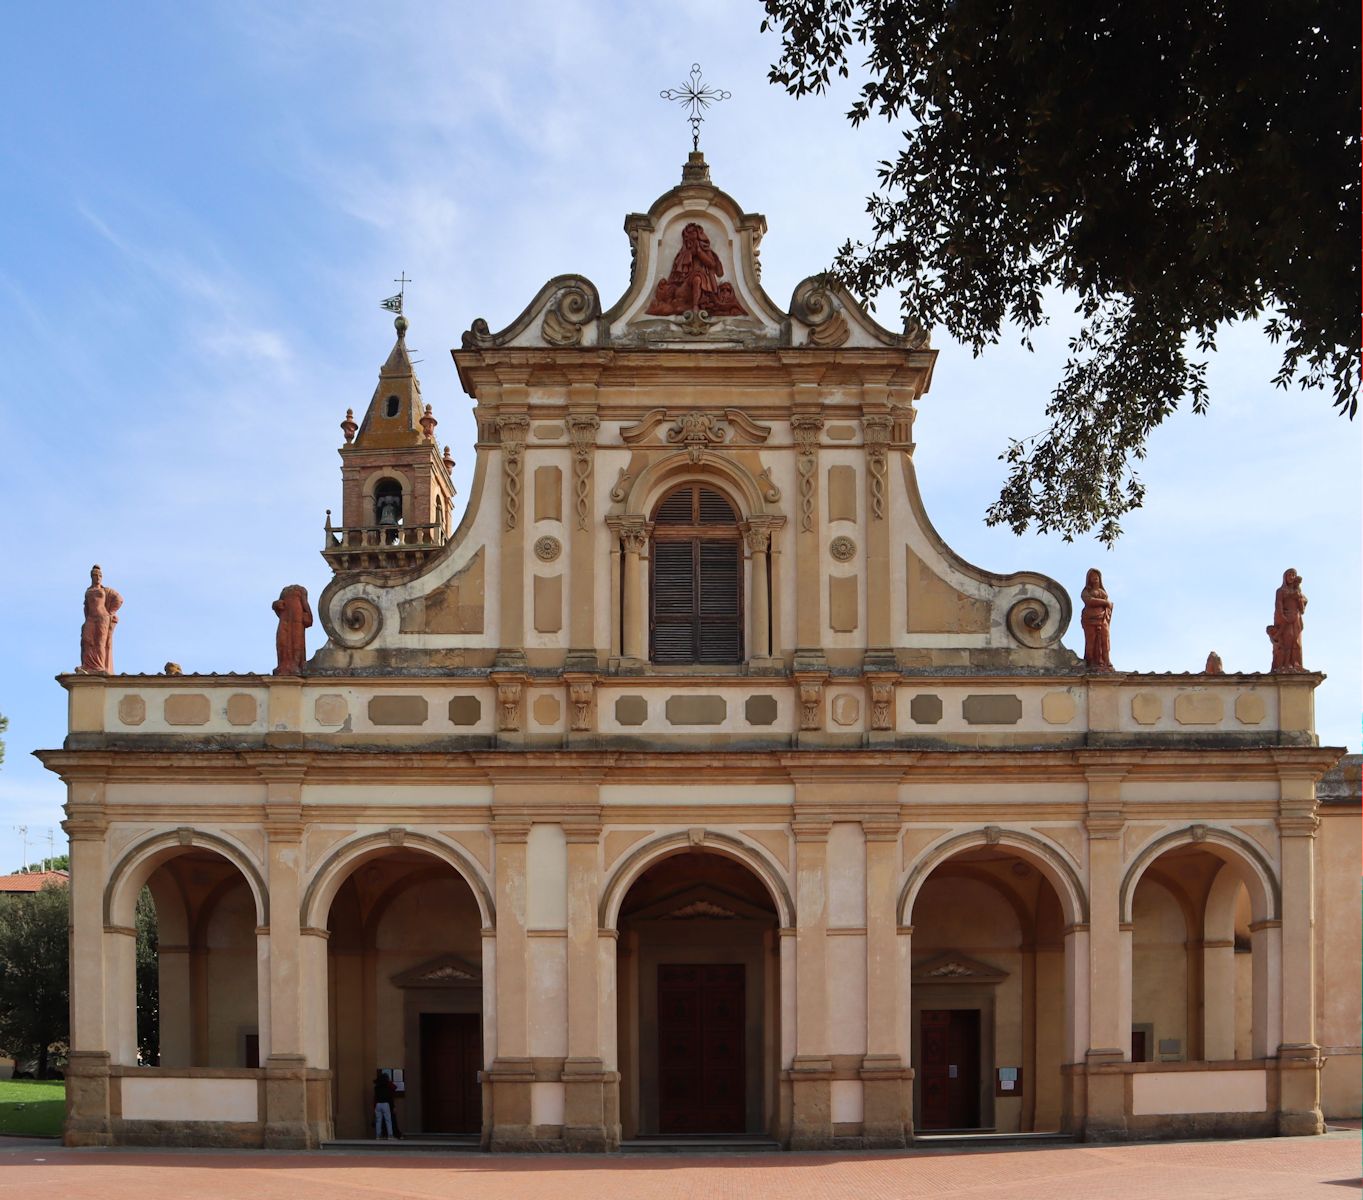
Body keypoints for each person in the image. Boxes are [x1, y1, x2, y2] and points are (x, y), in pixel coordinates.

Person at [78, 565, 124, 674]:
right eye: (95, 575)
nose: (98, 577)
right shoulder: (88, 591)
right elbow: (86, 607)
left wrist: (110, 613)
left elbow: (119, 599)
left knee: (100, 642)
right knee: (86, 640)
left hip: (102, 617)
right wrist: (86, 620)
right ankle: (87, 666)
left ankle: (99, 666)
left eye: (100, 576)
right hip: (90, 618)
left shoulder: (105, 590)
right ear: (91, 577)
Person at [1268, 568, 1307, 672]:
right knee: (1287, 641)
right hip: (1285, 620)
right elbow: (1278, 604)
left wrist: (1299, 597)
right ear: (1285, 577)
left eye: (1293, 575)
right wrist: (1282, 616)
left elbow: (1303, 604)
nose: (1292, 577)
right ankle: (1284, 666)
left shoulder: (1297, 591)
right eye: (1290, 574)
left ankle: (1296, 665)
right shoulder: (1281, 591)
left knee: (1296, 642)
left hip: (1296, 619)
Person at [1080, 567, 1113, 672]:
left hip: (1102, 618)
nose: (1095, 578)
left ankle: (1106, 661)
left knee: (1105, 640)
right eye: (1092, 576)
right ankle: (1092, 661)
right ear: (1088, 579)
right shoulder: (1086, 591)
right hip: (1090, 619)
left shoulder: (1103, 592)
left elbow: (1110, 606)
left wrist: (1108, 606)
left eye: (1096, 576)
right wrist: (1105, 603)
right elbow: (1089, 601)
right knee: (1092, 641)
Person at [373, 1069, 395, 1140]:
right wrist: (393, 1106)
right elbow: (390, 1097)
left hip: (378, 1104)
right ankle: (390, 1135)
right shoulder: (387, 1087)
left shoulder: (376, 1088)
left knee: (378, 1121)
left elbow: (375, 1097)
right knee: (388, 1120)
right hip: (385, 1104)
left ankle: (378, 1135)